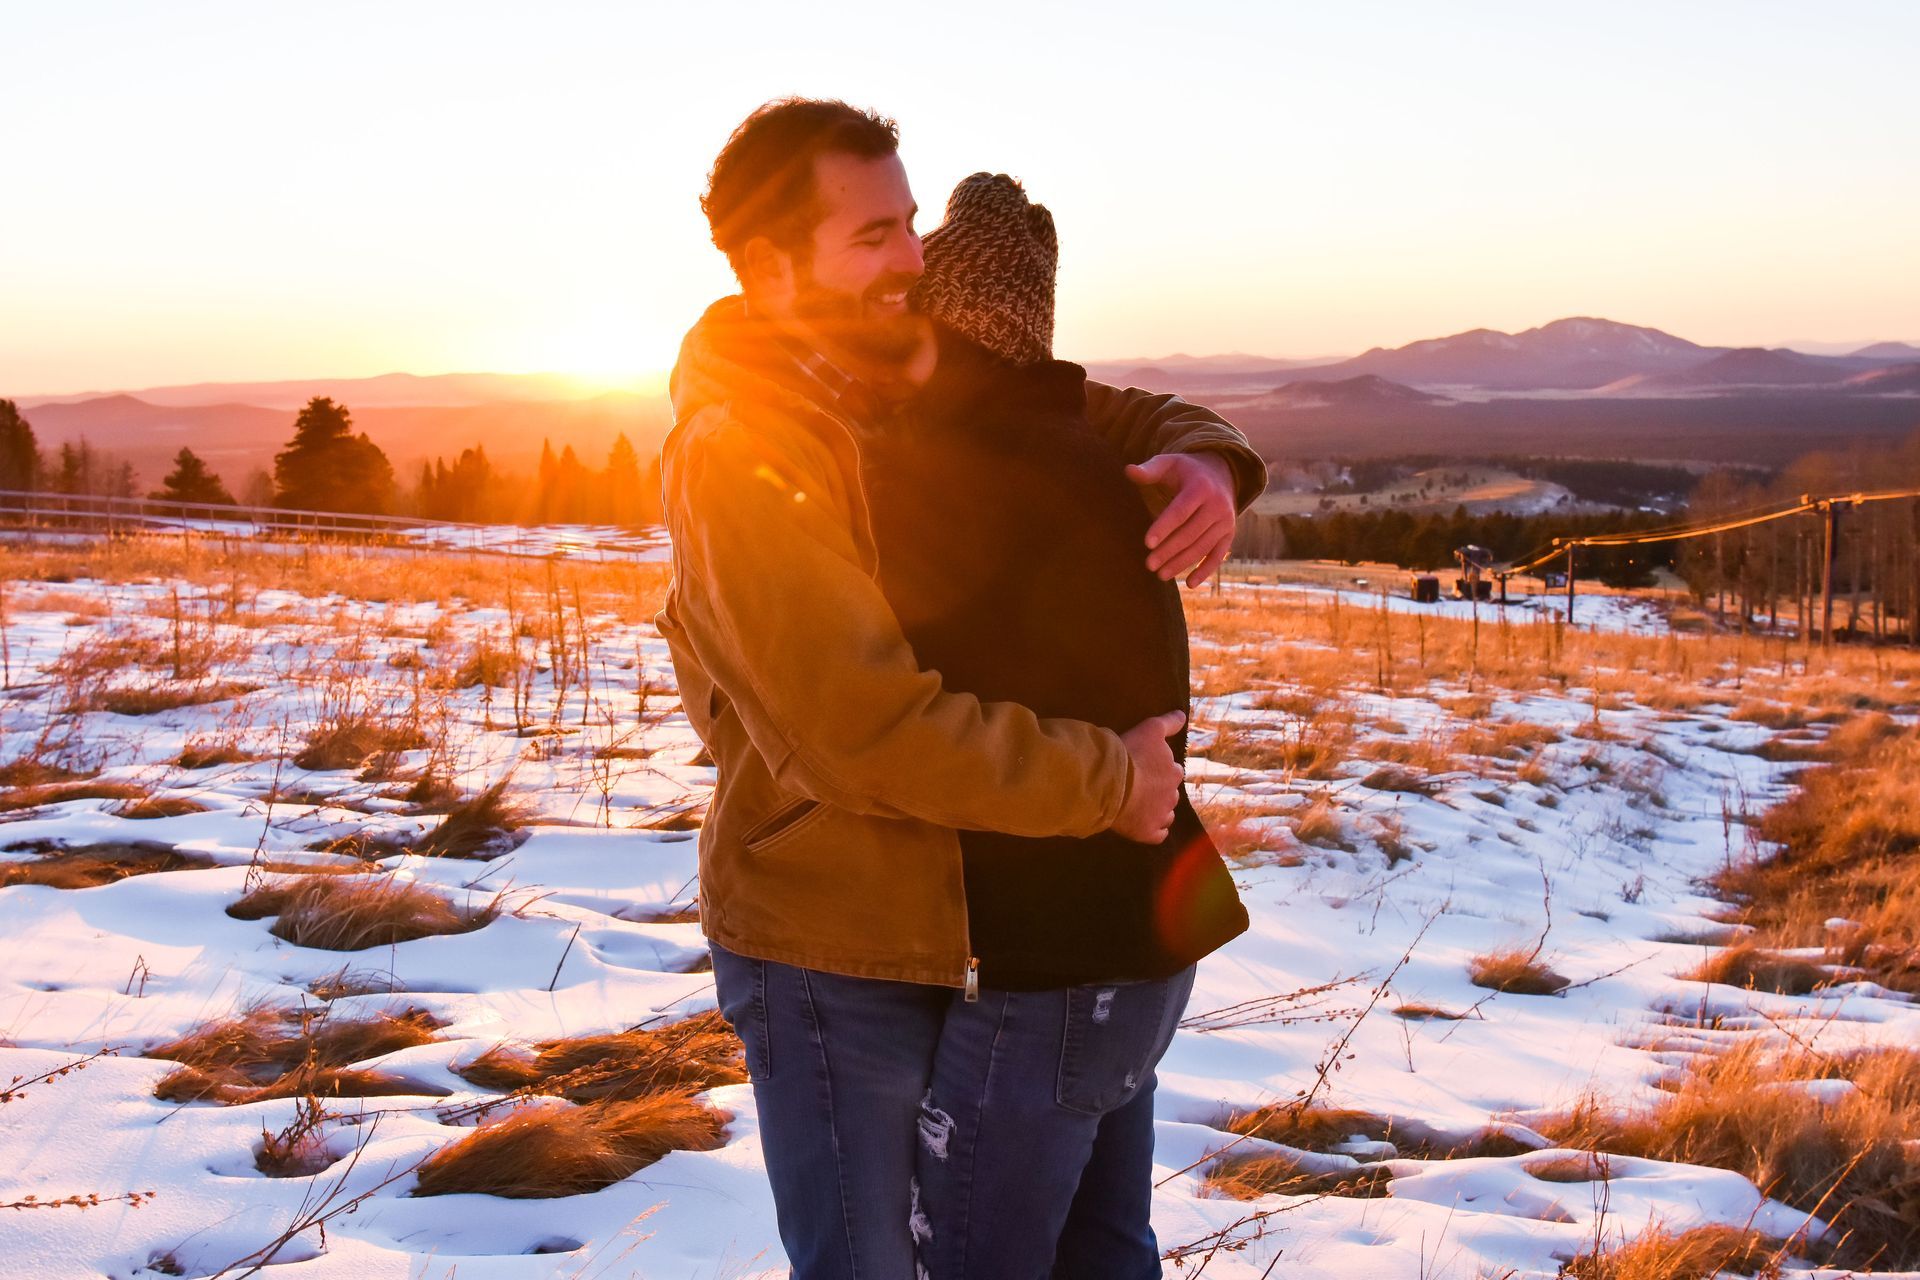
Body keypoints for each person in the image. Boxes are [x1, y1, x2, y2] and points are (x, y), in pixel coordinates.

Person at [656, 98, 1267, 1279]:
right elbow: (859, 728)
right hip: (834, 949)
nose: (913, 261)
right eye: (874, 236)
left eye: (910, 224)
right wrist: (1110, 781)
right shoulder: (745, 448)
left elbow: (1075, 400)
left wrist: (1210, 459)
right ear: (772, 264)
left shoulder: (894, 363)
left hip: (968, 923)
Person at [874, 171, 1249, 1279]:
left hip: (1052, 962)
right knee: (1105, 1252)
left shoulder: (941, 471)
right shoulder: (1091, 458)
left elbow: (893, 714)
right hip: (1137, 944)